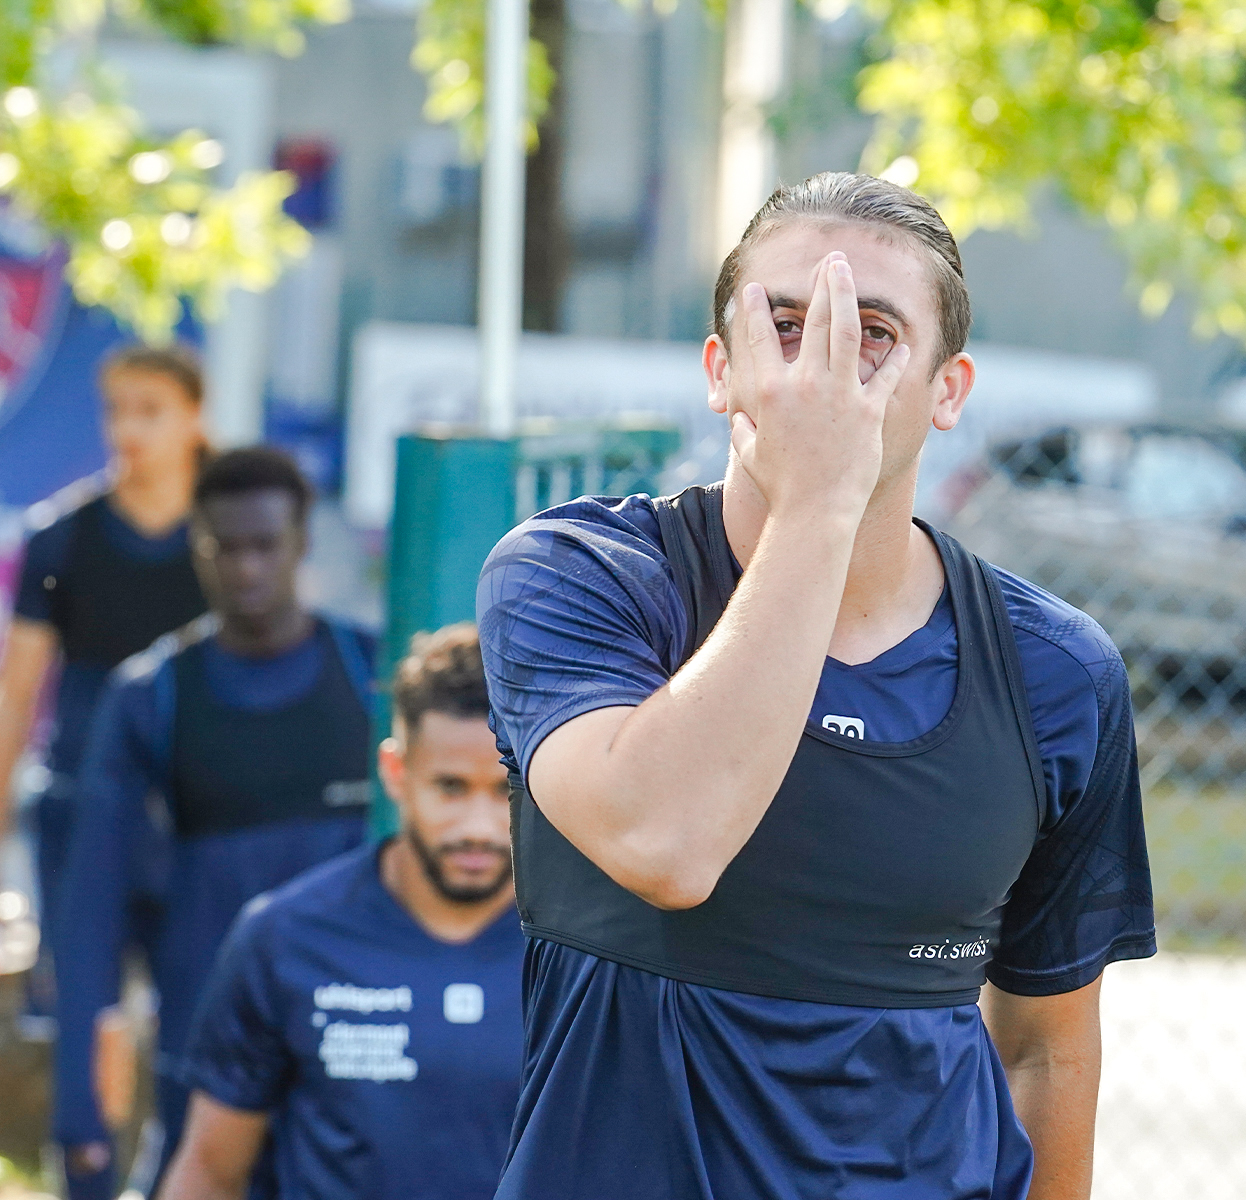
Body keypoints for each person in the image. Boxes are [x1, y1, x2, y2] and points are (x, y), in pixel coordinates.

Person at [478, 171, 1156, 1200]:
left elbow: (1044, 1050)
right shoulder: (582, 573)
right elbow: (666, 842)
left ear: (947, 393)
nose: (820, 371)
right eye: (786, 324)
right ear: (720, 370)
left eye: (870, 331)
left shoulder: (1053, 670)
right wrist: (817, 505)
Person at [52, 447, 376, 1200]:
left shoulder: (372, 674)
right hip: (205, 1046)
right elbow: (90, 906)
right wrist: (79, 1100)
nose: (246, 569)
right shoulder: (151, 697)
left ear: (300, 543)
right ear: (197, 547)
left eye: (265, 546)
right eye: (223, 547)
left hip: (355, 1038)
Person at [157, 624, 523, 1200]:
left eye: (505, 790)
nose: (477, 827)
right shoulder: (284, 937)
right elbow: (207, 1172)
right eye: (450, 788)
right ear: (396, 773)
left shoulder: (584, 951)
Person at [0, 345, 210, 1020]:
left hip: (199, 812)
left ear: (194, 416)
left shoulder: (234, 540)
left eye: (150, 411)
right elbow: (18, 688)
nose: (129, 430)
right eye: (117, 411)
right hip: (81, 803)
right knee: (77, 1019)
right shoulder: (59, 538)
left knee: (200, 1018)